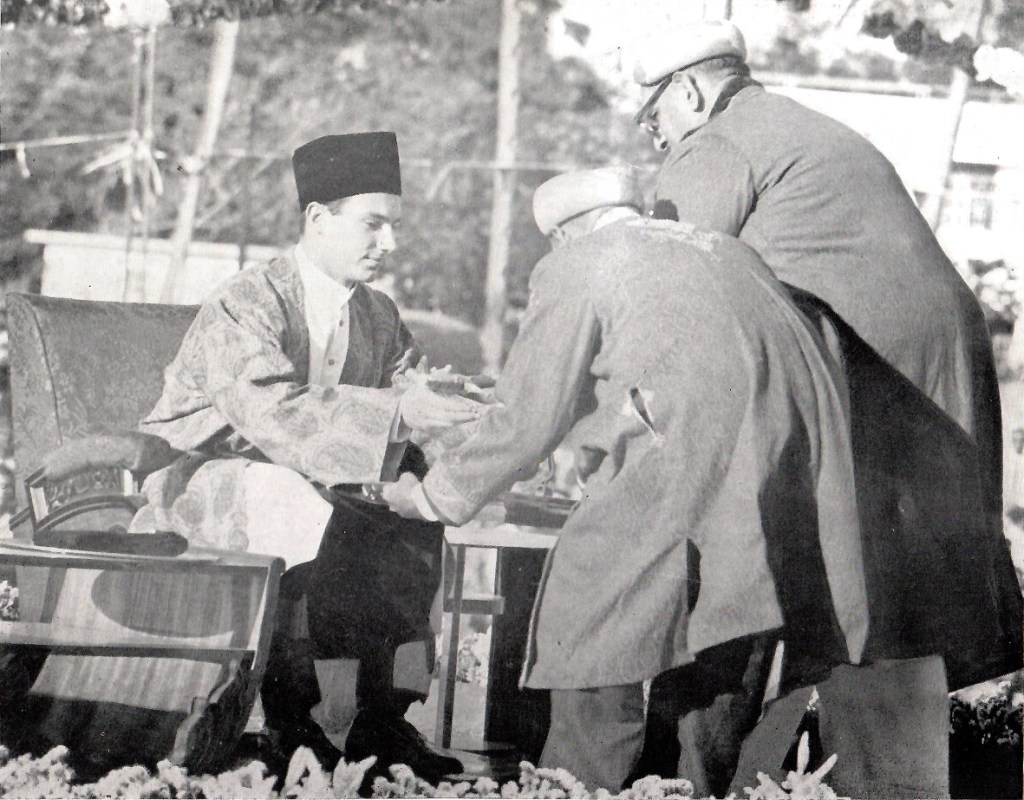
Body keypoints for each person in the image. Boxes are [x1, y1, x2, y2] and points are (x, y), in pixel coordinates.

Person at [383, 167, 870, 793]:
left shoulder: (579, 263)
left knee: (589, 620)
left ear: (564, 233)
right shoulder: (729, 252)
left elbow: (529, 414)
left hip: (679, 478)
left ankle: (577, 783)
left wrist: (432, 496)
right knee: (725, 647)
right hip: (789, 483)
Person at [632, 20, 1012, 797]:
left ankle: (696, 782)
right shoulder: (804, 127)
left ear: (691, 92)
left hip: (865, 379)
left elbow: (666, 294)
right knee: (893, 608)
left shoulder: (716, 144)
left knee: (764, 576)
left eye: (653, 117)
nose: (653, 138)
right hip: (933, 383)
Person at [133, 132, 475, 781]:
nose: (389, 243)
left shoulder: (377, 312)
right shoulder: (246, 300)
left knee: (414, 510)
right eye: (373, 224)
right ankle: (288, 719)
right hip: (197, 478)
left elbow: (407, 394)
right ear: (318, 218)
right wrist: (401, 412)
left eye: (395, 227)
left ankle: (382, 719)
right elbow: (269, 412)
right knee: (291, 500)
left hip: (312, 479)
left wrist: (458, 416)